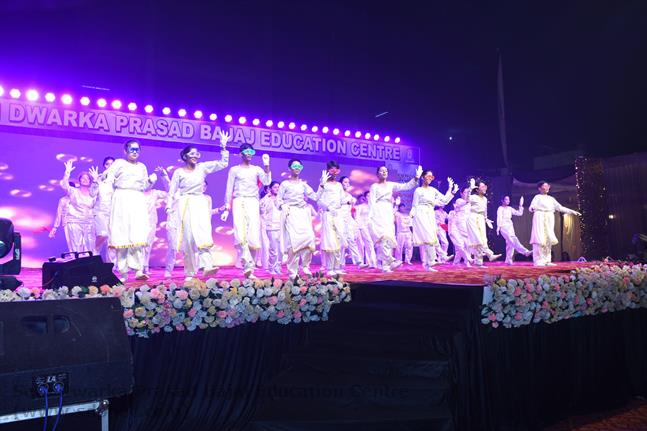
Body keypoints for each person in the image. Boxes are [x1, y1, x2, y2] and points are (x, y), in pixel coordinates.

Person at [167, 132, 230, 280]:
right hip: (185, 203)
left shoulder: (202, 167)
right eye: (192, 154)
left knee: (203, 234)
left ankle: (207, 266)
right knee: (188, 238)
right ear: (185, 156)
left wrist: (223, 147)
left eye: (197, 154)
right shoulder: (178, 172)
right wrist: (168, 207)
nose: (195, 156)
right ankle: (189, 272)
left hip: (200, 202)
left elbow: (223, 163)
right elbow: (172, 191)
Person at [103, 139, 157, 282]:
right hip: (122, 197)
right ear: (125, 151)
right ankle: (123, 273)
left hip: (137, 198)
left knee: (137, 233)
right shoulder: (119, 163)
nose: (134, 152)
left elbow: (144, 186)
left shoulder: (142, 167)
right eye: (131, 149)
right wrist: (108, 181)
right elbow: (108, 176)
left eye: (137, 149)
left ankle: (138, 270)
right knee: (122, 235)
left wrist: (150, 181)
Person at [221, 142, 271, 278]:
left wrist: (266, 165)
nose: (249, 154)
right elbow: (229, 188)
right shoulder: (234, 170)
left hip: (253, 201)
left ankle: (251, 267)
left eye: (251, 152)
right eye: (247, 152)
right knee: (240, 232)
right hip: (239, 200)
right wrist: (227, 207)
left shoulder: (256, 169)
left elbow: (267, 182)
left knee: (253, 235)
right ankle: (246, 264)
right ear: (241, 154)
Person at [369, 164, 422, 272]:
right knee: (382, 237)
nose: (384, 172)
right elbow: (371, 202)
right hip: (378, 211)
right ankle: (389, 261)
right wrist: (371, 216)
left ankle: (386, 265)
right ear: (377, 174)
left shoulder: (390, 185)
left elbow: (405, 186)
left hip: (388, 211)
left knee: (388, 238)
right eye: (381, 171)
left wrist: (416, 178)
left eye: (386, 171)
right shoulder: (374, 186)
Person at [276, 159, 320, 278]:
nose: (297, 168)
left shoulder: (303, 184)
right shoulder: (285, 184)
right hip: (291, 213)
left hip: (302, 213)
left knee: (309, 238)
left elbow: (315, 197)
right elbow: (278, 200)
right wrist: (283, 206)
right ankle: (293, 272)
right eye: (294, 166)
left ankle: (305, 266)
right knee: (293, 243)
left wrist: (322, 185)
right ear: (289, 168)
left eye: (299, 166)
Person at [411, 170, 456, 271]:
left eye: (431, 177)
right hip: (421, 214)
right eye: (428, 176)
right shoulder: (418, 190)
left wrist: (450, 188)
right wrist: (412, 216)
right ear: (423, 177)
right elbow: (414, 205)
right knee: (429, 236)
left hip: (430, 214)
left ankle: (429, 264)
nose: (430, 178)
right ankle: (439, 257)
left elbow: (445, 200)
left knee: (432, 237)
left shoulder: (433, 190)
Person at [529, 181, 581, 266]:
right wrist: (532, 208)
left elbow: (560, 207)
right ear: (540, 188)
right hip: (539, 216)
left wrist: (572, 211)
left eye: (548, 186)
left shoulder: (551, 199)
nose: (547, 188)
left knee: (548, 238)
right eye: (545, 186)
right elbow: (532, 206)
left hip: (549, 217)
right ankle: (538, 260)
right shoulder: (537, 197)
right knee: (539, 238)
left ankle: (547, 260)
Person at [59, 160, 97, 254]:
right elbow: (64, 185)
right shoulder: (73, 191)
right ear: (79, 180)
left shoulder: (93, 194)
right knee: (76, 246)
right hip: (74, 222)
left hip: (89, 222)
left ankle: (89, 263)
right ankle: (76, 262)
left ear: (90, 181)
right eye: (83, 178)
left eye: (87, 178)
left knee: (90, 246)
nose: (85, 180)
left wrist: (96, 180)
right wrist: (67, 173)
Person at [317, 161, 347, 276]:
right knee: (330, 241)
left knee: (339, 239)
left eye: (336, 169)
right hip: (328, 214)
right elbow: (318, 199)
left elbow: (342, 199)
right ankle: (329, 268)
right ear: (328, 170)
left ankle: (337, 266)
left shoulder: (339, 185)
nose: (334, 172)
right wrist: (328, 207)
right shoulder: (324, 183)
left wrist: (348, 200)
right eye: (331, 169)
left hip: (338, 214)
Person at [466, 178, 501, 267]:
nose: (485, 188)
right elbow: (466, 199)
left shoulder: (485, 199)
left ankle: (479, 263)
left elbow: (485, 210)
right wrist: (470, 188)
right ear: (477, 189)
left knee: (483, 239)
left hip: (481, 218)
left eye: (485, 186)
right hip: (473, 217)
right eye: (482, 186)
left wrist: (486, 219)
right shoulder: (473, 197)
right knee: (478, 239)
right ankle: (489, 254)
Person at [142, 167, 170, 275]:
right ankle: (138, 267)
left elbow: (169, 192)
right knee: (138, 245)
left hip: (151, 222)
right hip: (138, 221)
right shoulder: (137, 193)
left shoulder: (155, 192)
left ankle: (145, 266)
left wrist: (164, 176)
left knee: (148, 244)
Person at [90, 156, 114, 262]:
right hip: (100, 212)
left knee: (112, 240)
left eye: (112, 164)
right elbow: (92, 194)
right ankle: (95, 252)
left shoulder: (118, 180)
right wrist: (95, 181)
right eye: (108, 164)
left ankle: (111, 265)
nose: (110, 166)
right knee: (103, 234)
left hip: (113, 213)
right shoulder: (99, 179)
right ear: (104, 166)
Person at [496, 195, 532, 265]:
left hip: (510, 226)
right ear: (502, 200)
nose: (508, 201)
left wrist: (521, 206)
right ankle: (525, 252)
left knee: (510, 243)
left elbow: (519, 213)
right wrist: (498, 228)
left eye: (508, 200)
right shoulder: (500, 208)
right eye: (506, 199)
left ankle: (508, 260)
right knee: (512, 240)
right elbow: (499, 218)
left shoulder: (509, 208)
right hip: (503, 226)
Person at [339, 176, 364, 268]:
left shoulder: (350, 196)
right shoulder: (337, 194)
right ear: (340, 183)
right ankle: (341, 265)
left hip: (348, 220)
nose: (347, 184)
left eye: (348, 182)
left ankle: (359, 262)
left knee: (351, 240)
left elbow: (351, 210)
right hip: (340, 220)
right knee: (342, 243)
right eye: (345, 182)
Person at [260, 181, 283, 274]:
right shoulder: (267, 199)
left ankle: (278, 267)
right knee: (273, 249)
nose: (277, 189)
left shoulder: (281, 199)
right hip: (271, 227)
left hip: (281, 226)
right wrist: (267, 196)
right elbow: (261, 208)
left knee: (281, 250)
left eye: (278, 187)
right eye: (275, 187)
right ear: (270, 189)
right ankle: (271, 268)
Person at [450, 187, 473, 266]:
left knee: (461, 245)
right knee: (465, 242)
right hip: (459, 223)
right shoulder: (459, 200)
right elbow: (465, 202)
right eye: (465, 192)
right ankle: (468, 259)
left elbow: (469, 214)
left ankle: (456, 262)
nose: (467, 194)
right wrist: (471, 190)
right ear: (461, 193)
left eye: (468, 192)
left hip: (466, 223)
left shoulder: (469, 204)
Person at [354, 191, 377, 268]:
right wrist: (358, 227)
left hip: (372, 227)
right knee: (365, 244)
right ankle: (366, 263)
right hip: (363, 227)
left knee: (372, 244)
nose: (369, 197)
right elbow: (357, 217)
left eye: (371, 195)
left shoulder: (373, 207)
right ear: (365, 197)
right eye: (367, 196)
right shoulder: (360, 207)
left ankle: (372, 262)